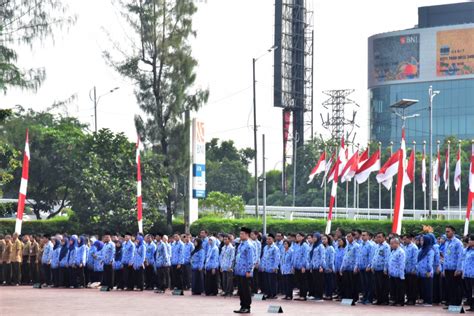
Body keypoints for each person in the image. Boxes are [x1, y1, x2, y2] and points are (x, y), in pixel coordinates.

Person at [233, 227, 255, 314]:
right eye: (240, 233)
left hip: (246, 271)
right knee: (241, 290)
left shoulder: (249, 245)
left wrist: (249, 271)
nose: (240, 235)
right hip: (239, 270)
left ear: (247, 234)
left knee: (246, 290)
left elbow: (251, 259)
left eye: (242, 234)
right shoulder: (241, 244)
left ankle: (247, 307)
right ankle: (242, 306)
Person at [443, 226, 463, 308]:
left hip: (455, 269)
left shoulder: (458, 243)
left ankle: (456, 304)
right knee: (449, 287)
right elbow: (446, 256)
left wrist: (458, 269)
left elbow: (460, 256)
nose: (446, 233)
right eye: (446, 231)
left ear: (453, 232)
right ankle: (451, 303)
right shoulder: (447, 242)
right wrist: (444, 268)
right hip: (448, 268)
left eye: (448, 231)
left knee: (455, 287)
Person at [340, 232, 360, 304]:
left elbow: (358, 257)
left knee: (352, 285)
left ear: (354, 237)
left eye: (349, 236)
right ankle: (346, 299)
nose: (348, 238)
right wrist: (342, 267)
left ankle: (353, 300)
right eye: (347, 237)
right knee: (346, 285)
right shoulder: (347, 246)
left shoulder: (356, 246)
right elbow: (345, 257)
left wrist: (356, 266)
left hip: (352, 268)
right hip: (346, 268)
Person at [371, 232, 390, 305]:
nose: (378, 238)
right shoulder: (377, 246)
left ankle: (385, 300)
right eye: (377, 237)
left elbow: (387, 258)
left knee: (384, 286)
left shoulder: (386, 246)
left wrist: (385, 268)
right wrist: (372, 266)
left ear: (384, 238)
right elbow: (374, 257)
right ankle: (379, 300)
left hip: (382, 269)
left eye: (379, 237)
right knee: (377, 286)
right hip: (376, 269)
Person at [357, 231, 374, 304]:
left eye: (364, 235)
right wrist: (357, 265)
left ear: (368, 236)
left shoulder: (370, 245)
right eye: (362, 235)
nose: (362, 237)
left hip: (367, 268)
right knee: (363, 284)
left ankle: (369, 298)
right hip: (361, 267)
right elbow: (359, 256)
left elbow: (371, 256)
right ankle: (364, 297)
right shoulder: (360, 245)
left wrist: (369, 265)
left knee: (369, 284)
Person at [261, 233, 280, 300]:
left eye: (269, 239)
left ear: (273, 240)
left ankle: (273, 294)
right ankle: (268, 293)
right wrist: (262, 266)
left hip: (272, 267)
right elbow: (263, 257)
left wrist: (275, 267)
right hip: (266, 267)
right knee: (267, 281)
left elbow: (277, 258)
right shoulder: (265, 247)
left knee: (272, 281)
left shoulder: (275, 248)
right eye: (267, 239)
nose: (268, 240)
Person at [388, 237, 406, 306]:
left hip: (398, 274)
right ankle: (395, 300)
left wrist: (401, 275)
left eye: (392, 243)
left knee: (400, 289)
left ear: (397, 243)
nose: (391, 245)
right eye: (390, 243)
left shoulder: (401, 252)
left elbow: (402, 264)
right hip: (392, 273)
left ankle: (400, 302)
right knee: (394, 288)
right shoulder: (393, 251)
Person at [293, 233, 310, 301]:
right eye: (297, 236)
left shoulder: (305, 245)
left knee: (303, 281)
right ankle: (300, 295)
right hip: (296, 266)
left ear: (303, 237)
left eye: (299, 236)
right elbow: (294, 256)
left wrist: (303, 266)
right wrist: (293, 265)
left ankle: (303, 295)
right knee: (299, 281)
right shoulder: (296, 245)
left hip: (302, 266)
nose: (297, 237)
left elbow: (305, 256)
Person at [403, 233, 419, 305]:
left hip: (412, 270)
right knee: (407, 286)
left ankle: (412, 300)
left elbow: (415, 259)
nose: (404, 240)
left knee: (412, 286)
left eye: (405, 239)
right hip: (406, 269)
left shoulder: (414, 247)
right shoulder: (405, 247)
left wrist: (414, 269)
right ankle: (409, 298)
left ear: (410, 239)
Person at [309, 232, 325, 301]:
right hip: (314, 266)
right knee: (315, 281)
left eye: (315, 237)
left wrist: (321, 266)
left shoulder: (321, 246)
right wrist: (311, 266)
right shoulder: (314, 245)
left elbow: (322, 256)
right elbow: (312, 257)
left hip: (319, 267)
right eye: (313, 237)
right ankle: (316, 295)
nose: (314, 238)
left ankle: (320, 296)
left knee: (319, 282)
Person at [461, 234, 474, 312]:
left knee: (473, 291)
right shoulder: (466, 250)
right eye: (469, 240)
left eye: (471, 240)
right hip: (466, 273)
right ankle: (471, 306)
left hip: (473, 274)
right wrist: (463, 271)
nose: (469, 241)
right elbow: (463, 261)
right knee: (468, 291)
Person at [322, 234, 335, 300]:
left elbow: (332, 259)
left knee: (329, 282)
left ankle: (329, 295)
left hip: (329, 268)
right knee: (325, 282)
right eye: (323, 239)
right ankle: (326, 294)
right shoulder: (323, 248)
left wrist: (331, 267)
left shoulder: (331, 248)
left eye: (325, 239)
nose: (323, 240)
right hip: (324, 268)